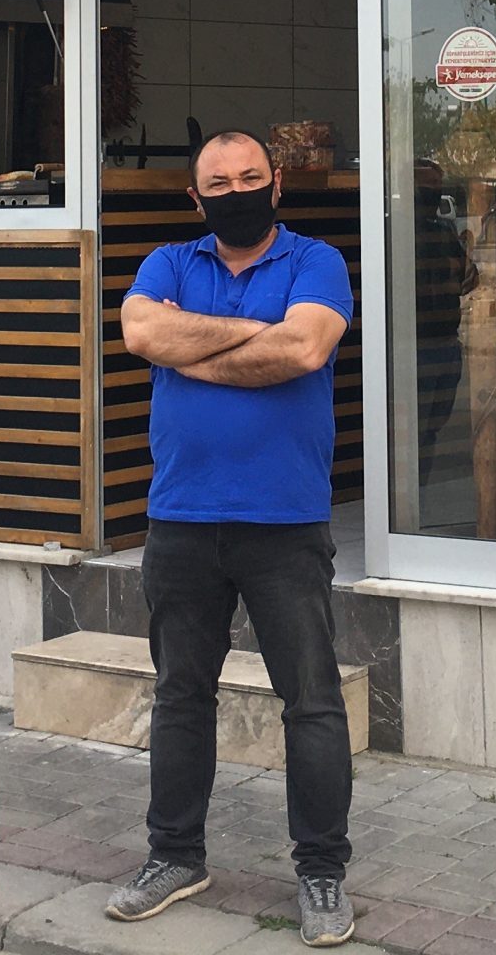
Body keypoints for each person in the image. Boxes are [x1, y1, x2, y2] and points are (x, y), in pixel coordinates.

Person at [106, 130, 355, 948]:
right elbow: (141, 333)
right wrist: (254, 338)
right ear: (196, 197)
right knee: (181, 695)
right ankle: (174, 856)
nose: (237, 191)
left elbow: (306, 345)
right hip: (182, 520)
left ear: (276, 185)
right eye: (219, 182)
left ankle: (321, 870)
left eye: (251, 177)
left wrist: (194, 347)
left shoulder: (317, 261)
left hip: (285, 523)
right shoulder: (167, 263)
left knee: (311, 703)